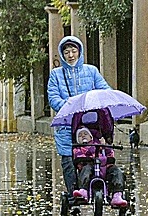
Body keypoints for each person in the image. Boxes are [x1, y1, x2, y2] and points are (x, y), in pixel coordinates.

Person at [47, 35, 111, 197]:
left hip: (89, 126)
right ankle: (73, 193)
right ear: (62, 54)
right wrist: (71, 108)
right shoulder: (56, 75)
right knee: (69, 162)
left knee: (91, 158)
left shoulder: (92, 71)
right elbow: (53, 98)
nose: (70, 55)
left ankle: (92, 188)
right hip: (66, 126)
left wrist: (94, 105)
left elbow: (104, 90)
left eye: (74, 51)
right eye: (67, 52)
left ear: (79, 52)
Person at [72, 126, 127, 207]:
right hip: (90, 169)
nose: (83, 136)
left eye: (85, 134)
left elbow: (110, 153)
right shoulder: (78, 149)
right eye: (80, 135)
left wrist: (106, 145)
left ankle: (117, 194)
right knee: (86, 169)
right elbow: (79, 158)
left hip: (104, 168)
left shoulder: (99, 145)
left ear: (91, 136)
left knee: (116, 171)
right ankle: (84, 190)